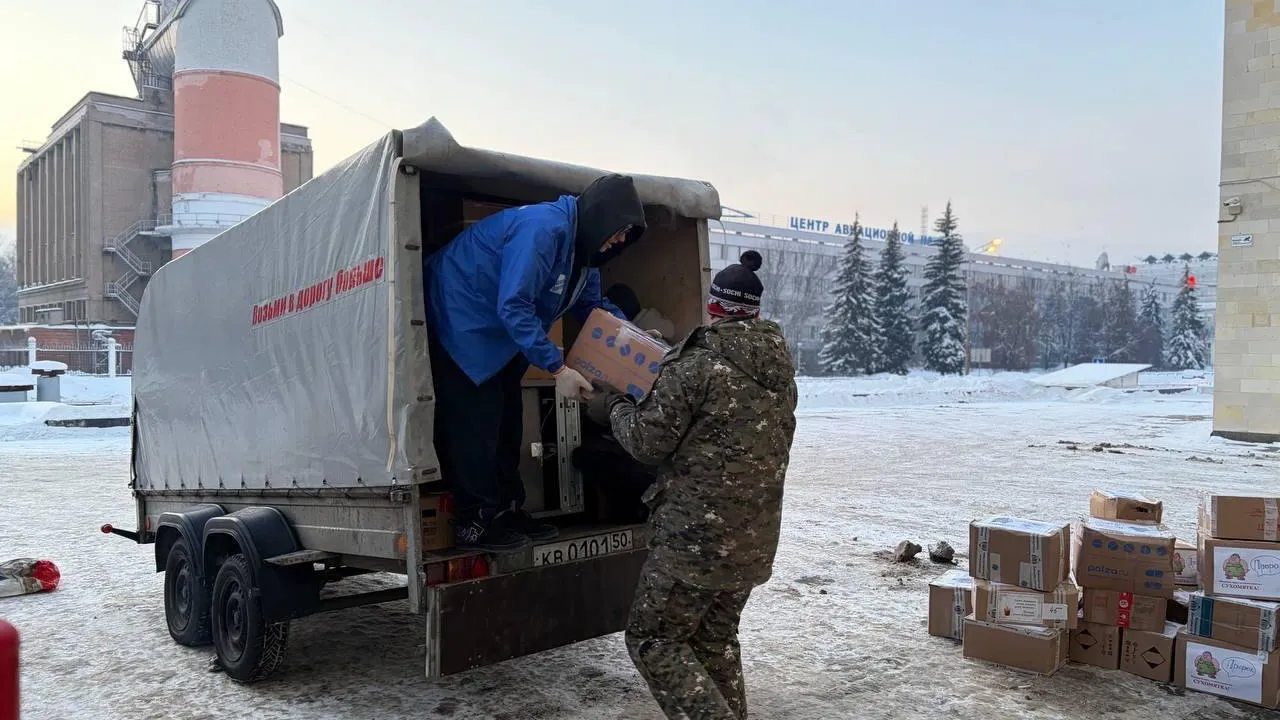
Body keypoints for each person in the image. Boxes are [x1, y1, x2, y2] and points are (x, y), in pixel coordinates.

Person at [599, 250, 798, 720]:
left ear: (713, 308)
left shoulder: (695, 365)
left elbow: (647, 444)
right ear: (754, 311)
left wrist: (616, 406)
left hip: (694, 542)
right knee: (715, 638)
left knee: (653, 639)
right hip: (753, 541)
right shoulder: (780, 370)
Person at [424, 174, 647, 552]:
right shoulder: (543, 230)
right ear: (600, 215)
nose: (621, 239)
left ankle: (507, 509)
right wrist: (557, 368)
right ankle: (475, 521)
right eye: (620, 229)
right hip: (464, 321)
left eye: (628, 233)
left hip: (502, 335)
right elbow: (513, 305)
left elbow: (590, 307)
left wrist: (634, 337)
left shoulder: (585, 252)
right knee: (477, 428)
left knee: (509, 425)